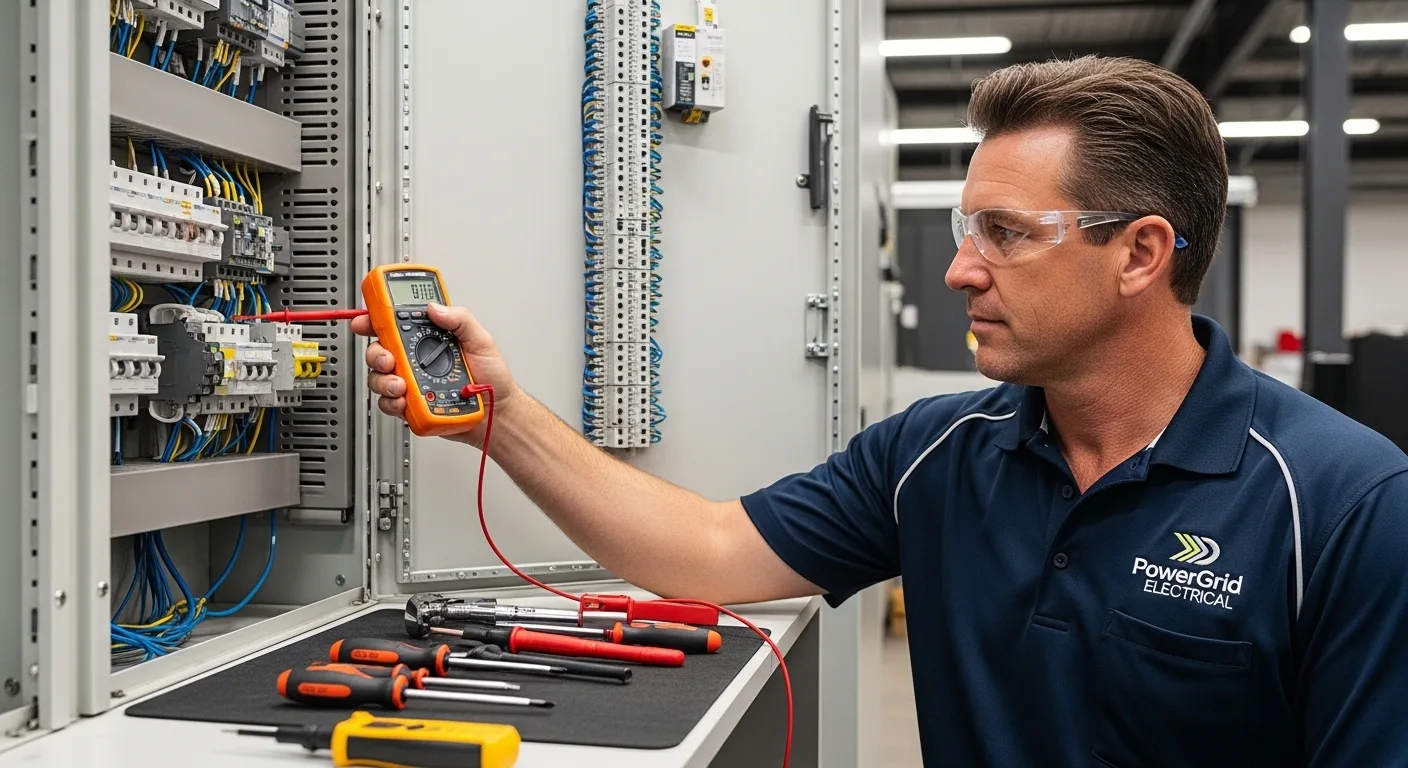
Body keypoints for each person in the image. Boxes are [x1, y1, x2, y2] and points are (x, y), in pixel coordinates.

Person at [356, 56, 1408, 767]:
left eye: (1005, 232)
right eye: (963, 228)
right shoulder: (936, 456)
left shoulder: (1345, 503)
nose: (958, 270)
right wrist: (501, 417)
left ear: (1139, 252)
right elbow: (713, 552)